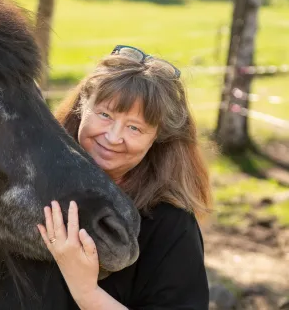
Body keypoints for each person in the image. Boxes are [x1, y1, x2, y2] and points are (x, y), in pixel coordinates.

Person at [35, 45, 213, 309]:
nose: (113, 137)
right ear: (82, 107)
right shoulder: (33, 182)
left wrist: (86, 292)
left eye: (134, 127)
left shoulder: (170, 224)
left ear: (157, 138)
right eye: (105, 115)